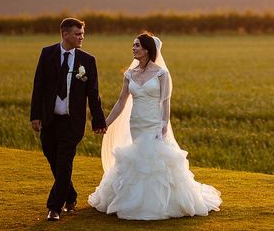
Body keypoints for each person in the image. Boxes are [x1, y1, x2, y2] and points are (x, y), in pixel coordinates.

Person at [89, 32, 221, 220]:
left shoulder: (161, 73)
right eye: (133, 45)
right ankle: (135, 199)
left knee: (152, 160)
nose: (133, 48)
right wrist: (105, 123)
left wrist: (163, 124)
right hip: (136, 123)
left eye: (137, 45)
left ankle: (156, 204)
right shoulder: (130, 74)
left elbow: (165, 102)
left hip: (153, 123)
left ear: (147, 49)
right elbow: (121, 102)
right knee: (139, 159)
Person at [30, 17, 107, 222]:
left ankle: (54, 208)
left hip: (72, 123)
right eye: (77, 34)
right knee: (54, 161)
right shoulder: (47, 54)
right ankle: (70, 196)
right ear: (65, 34)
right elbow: (38, 86)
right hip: (49, 120)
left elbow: (93, 93)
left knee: (64, 163)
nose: (81, 37)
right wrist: (35, 115)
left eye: (82, 34)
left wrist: (98, 120)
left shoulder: (88, 61)